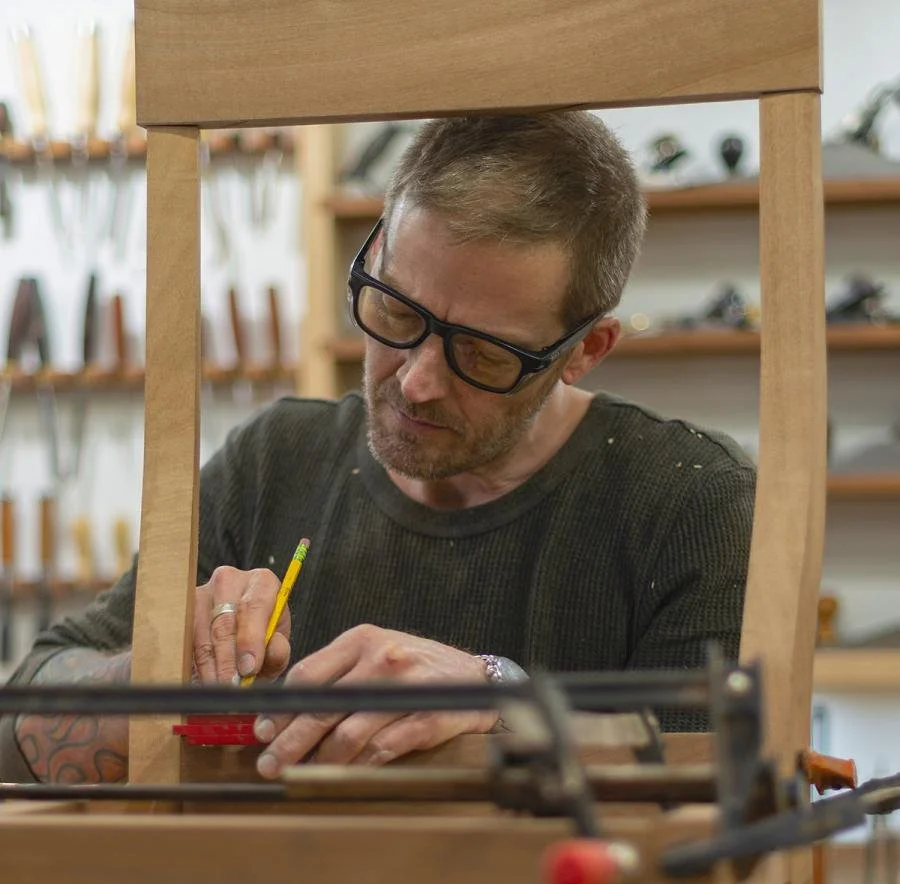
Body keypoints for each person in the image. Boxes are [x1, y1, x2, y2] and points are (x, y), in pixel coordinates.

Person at [0, 112, 755, 785]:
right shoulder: (273, 462)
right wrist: (156, 667)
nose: (417, 382)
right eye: (395, 311)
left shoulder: (691, 502)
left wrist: (504, 702)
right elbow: (23, 719)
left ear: (586, 349)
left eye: (485, 355)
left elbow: (718, 784)